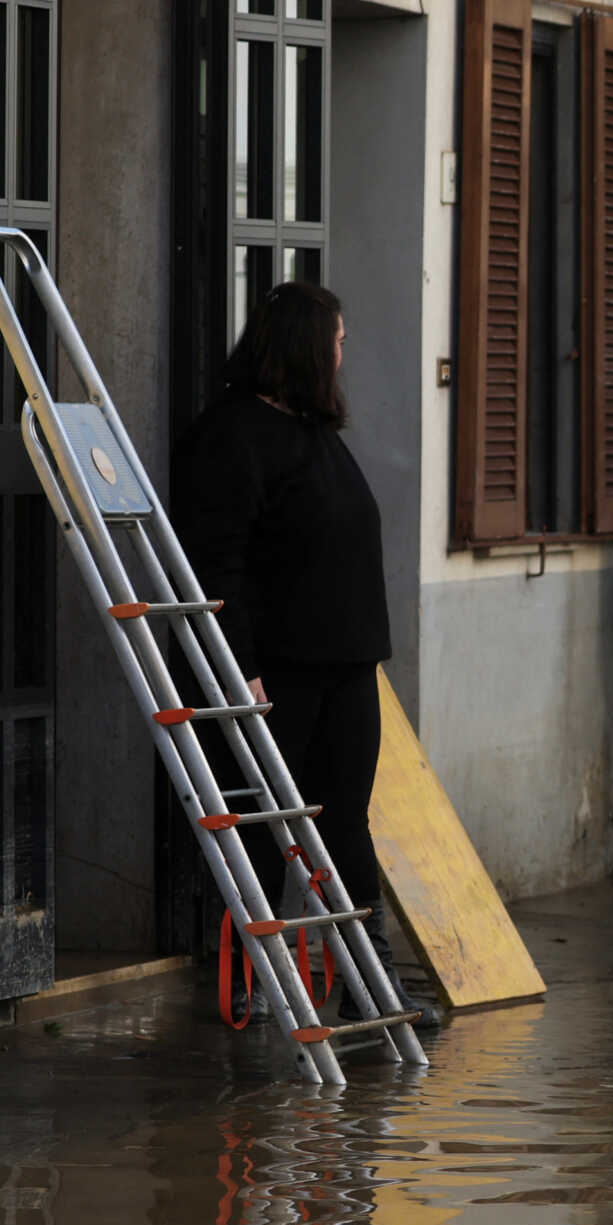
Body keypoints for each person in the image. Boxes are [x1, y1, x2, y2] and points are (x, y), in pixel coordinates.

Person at [171, 283, 429, 1026]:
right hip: (277, 668)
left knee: (344, 820)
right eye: (338, 340)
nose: (344, 353)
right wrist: (240, 664)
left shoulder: (315, 432)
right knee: (259, 824)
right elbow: (216, 566)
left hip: (347, 665)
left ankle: (370, 983)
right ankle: (242, 979)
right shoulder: (232, 436)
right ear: (310, 347)